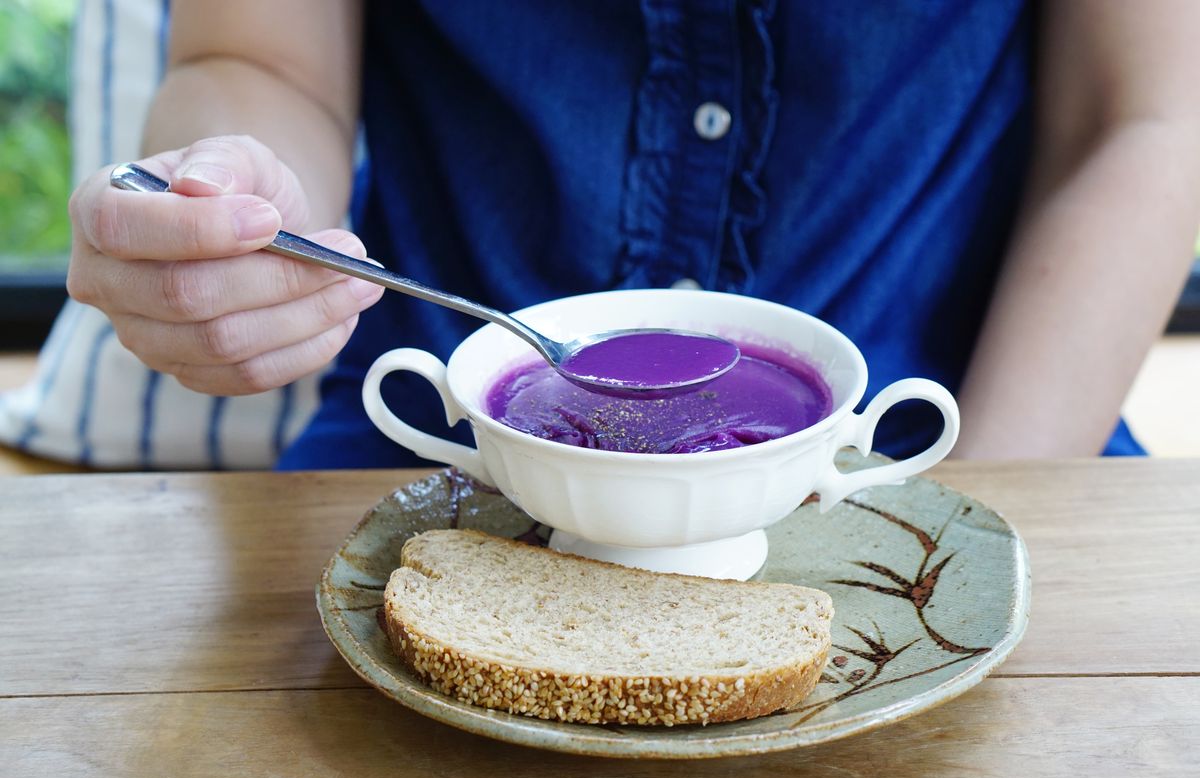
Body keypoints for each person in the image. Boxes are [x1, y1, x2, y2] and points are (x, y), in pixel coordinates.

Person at [66, 1, 1200, 469]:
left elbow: (1140, 118)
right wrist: (232, 205)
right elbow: (258, 58)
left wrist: (964, 525)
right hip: (440, 457)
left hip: (964, 440)